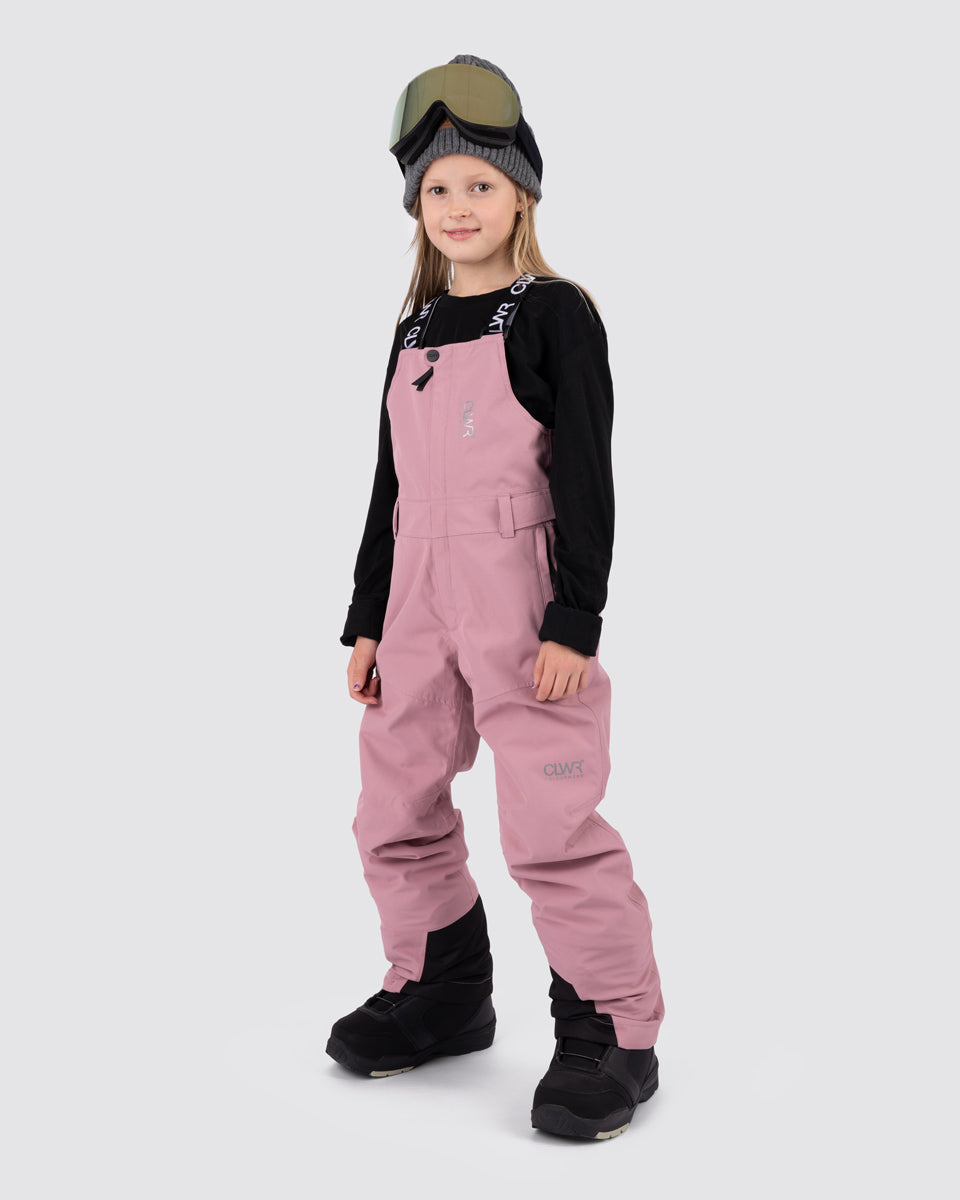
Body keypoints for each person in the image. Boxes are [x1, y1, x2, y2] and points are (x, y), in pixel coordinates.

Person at [326, 54, 665, 1141]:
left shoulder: (556, 313)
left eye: (480, 182)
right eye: (436, 188)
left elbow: (587, 478)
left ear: (522, 194)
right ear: (415, 207)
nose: (457, 205)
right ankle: (440, 988)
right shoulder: (414, 327)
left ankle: (613, 1028)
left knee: (550, 818)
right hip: (416, 595)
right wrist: (368, 618)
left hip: (521, 596)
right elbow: (388, 485)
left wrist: (576, 618)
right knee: (394, 805)